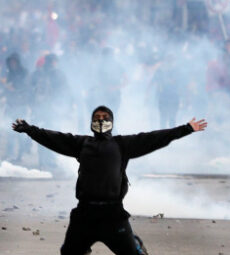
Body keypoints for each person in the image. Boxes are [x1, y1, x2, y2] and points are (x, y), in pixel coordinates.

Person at [11, 106, 207, 255]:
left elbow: (155, 137)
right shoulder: (81, 144)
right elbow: (53, 138)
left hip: (113, 214)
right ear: (91, 123)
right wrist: (30, 130)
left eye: (105, 118)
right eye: (97, 118)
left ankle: (135, 243)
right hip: (84, 214)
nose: (101, 120)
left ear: (112, 122)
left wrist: (186, 129)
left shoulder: (122, 145)